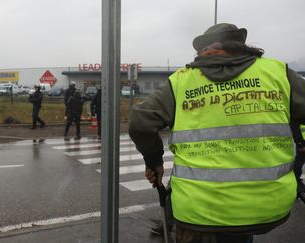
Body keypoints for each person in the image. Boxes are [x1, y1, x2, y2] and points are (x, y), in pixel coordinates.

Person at [129, 23, 305, 243]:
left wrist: (153, 161)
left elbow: (140, 121)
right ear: (240, 45)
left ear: (208, 47)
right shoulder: (278, 73)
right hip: (266, 205)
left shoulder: (182, 81)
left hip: (198, 210)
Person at [291, 121, 305, 198]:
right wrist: (300, 144)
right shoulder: (299, 113)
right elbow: (294, 125)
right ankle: (297, 188)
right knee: (298, 166)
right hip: (303, 143)